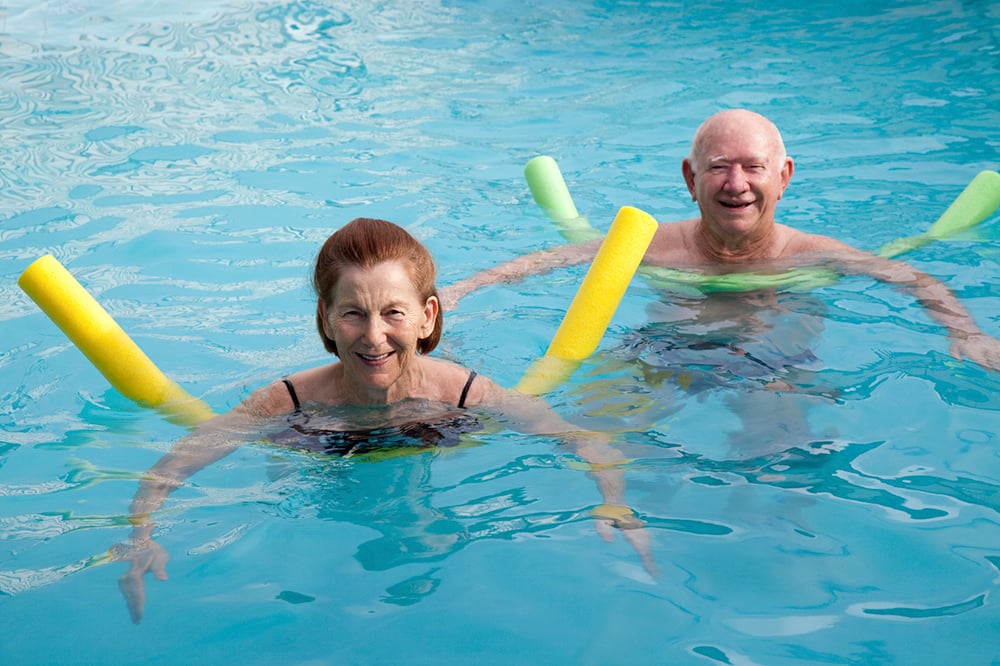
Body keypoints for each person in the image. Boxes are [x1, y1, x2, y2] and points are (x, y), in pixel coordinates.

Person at [114, 217, 656, 624]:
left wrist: (614, 501)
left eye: (393, 312)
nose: (374, 337)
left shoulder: (465, 394)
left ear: (427, 317)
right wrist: (142, 534)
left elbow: (584, 440)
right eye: (352, 313)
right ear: (326, 319)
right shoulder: (285, 405)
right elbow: (174, 465)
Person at [442, 108, 1000, 374]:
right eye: (719, 168)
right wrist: (462, 291)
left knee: (783, 438)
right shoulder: (652, 245)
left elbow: (914, 279)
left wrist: (967, 333)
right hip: (666, 345)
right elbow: (552, 260)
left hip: (777, 354)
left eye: (753, 168)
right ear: (689, 178)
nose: (737, 184)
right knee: (602, 413)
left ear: (783, 177)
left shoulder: (813, 255)